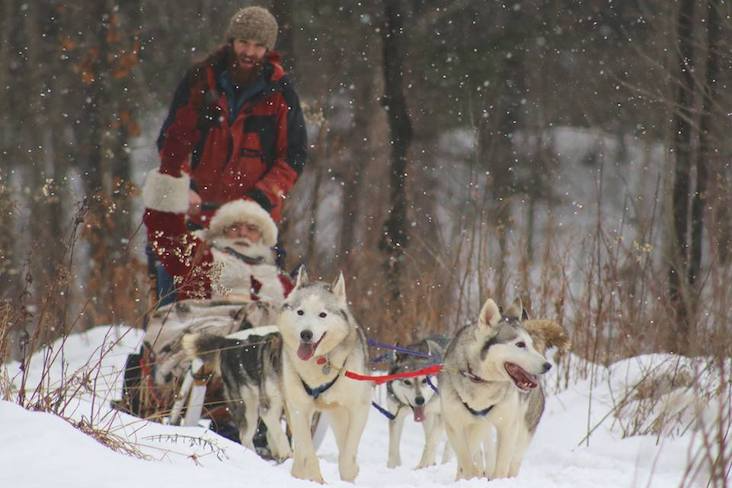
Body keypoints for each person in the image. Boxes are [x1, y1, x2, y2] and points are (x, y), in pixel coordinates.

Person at [149, 5, 307, 303]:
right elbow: (173, 141)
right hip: (200, 212)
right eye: (244, 43)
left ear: (268, 50)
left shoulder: (281, 92)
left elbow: (294, 157)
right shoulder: (200, 80)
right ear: (231, 41)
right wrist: (186, 186)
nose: (250, 51)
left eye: (259, 46)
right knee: (175, 283)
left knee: (263, 298)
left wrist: (260, 197)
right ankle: (162, 341)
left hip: (254, 219)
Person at [142, 168, 293, 303]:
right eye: (234, 227)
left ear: (262, 236)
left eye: (252, 228)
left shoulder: (280, 280)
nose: (242, 233)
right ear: (223, 231)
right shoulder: (200, 259)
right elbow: (162, 229)